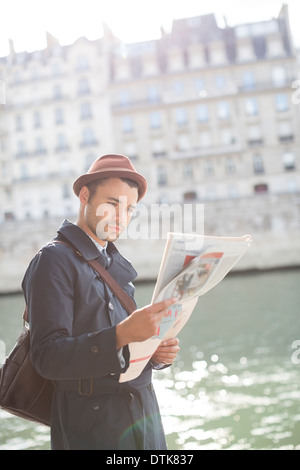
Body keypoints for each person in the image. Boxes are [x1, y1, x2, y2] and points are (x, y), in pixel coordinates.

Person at [22, 154, 180, 450]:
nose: (122, 216)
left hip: (143, 419)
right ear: (85, 196)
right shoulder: (53, 260)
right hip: (95, 430)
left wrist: (154, 353)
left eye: (130, 208)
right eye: (112, 203)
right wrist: (123, 334)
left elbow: (123, 350)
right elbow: (46, 357)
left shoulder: (118, 265)